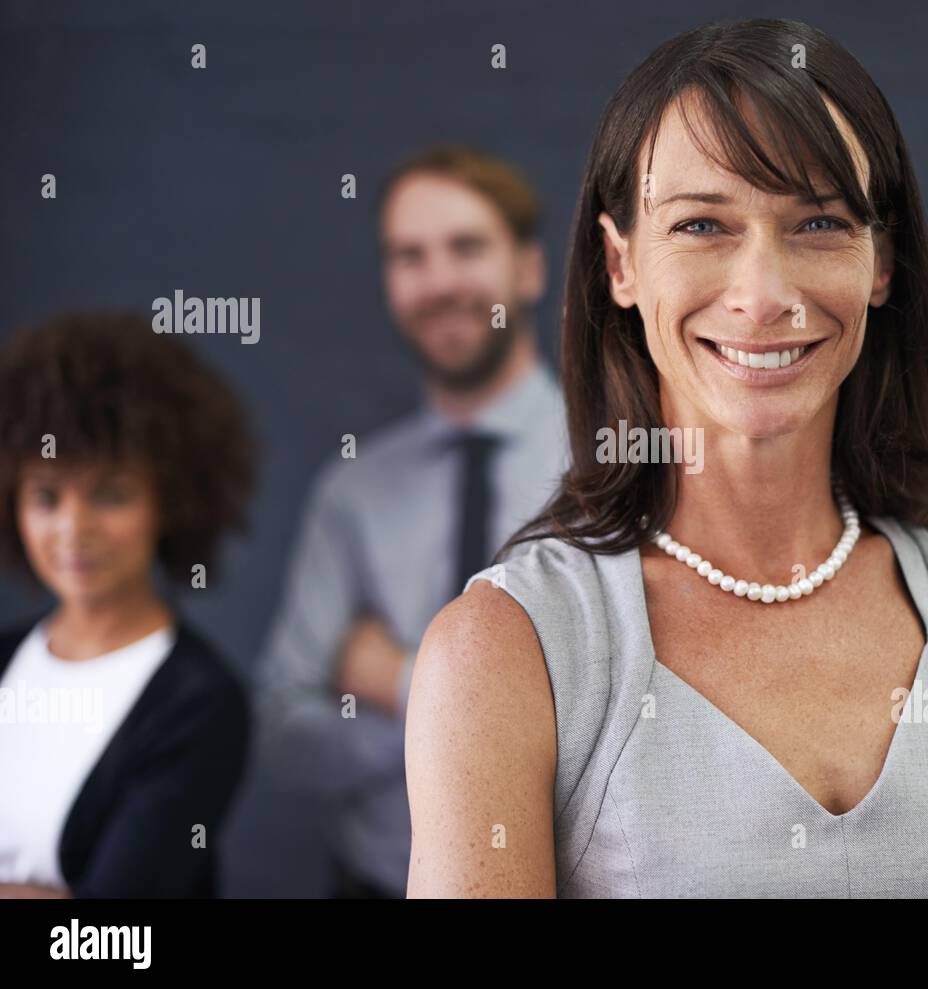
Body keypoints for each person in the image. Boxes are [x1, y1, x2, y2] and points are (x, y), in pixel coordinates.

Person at [405, 18, 928, 898]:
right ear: (620, 263)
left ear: (881, 263)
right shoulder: (508, 648)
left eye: (820, 222)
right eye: (703, 223)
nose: (764, 296)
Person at [255, 144, 569, 898]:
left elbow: (623, 722)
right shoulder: (353, 491)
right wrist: (448, 712)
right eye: (410, 257)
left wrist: (390, 679)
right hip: (369, 881)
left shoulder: (616, 468)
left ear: (528, 269)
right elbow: (280, 733)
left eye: (465, 247)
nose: (439, 282)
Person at [0, 310, 256, 898]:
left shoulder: (200, 704)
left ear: (170, 503)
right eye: (45, 495)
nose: (73, 528)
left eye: (109, 495)